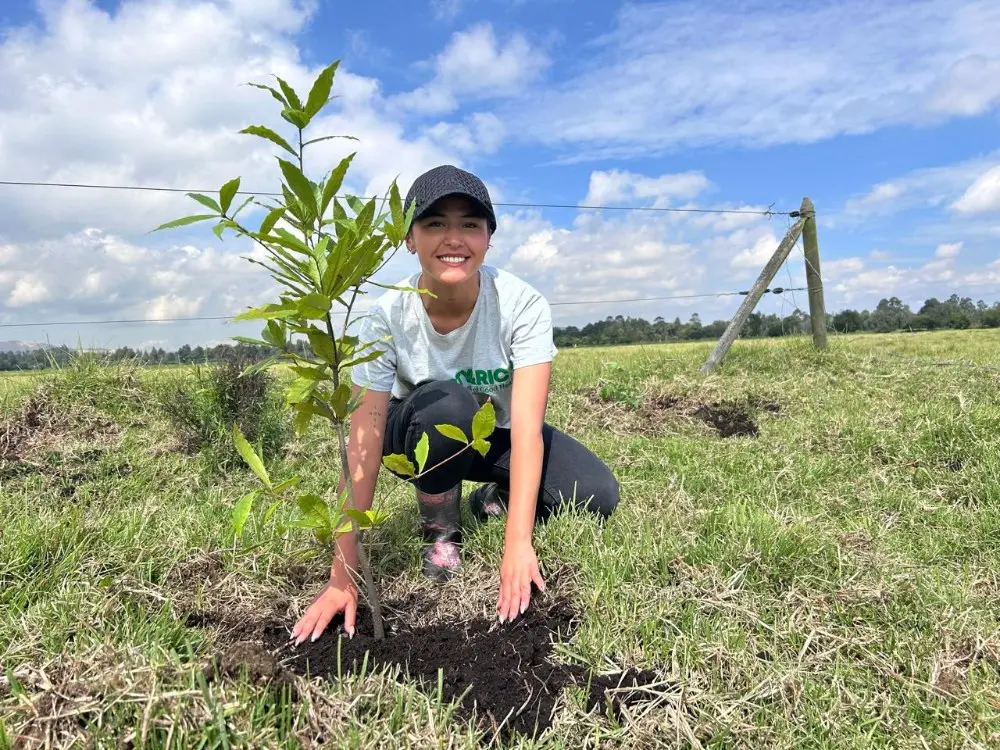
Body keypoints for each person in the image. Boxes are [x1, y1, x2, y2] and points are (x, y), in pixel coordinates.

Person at [290, 165, 619, 645]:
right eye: (434, 223)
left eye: (470, 224)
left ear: (489, 237)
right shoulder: (386, 316)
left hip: (496, 432)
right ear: (409, 238)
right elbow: (363, 442)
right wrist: (342, 578)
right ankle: (441, 533)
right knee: (449, 403)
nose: (454, 238)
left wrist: (517, 543)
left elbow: (527, 429)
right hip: (416, 436)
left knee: (597, 495)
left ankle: (492, 500)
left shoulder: (521, 304)